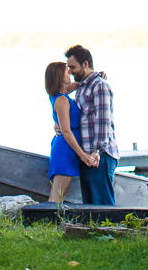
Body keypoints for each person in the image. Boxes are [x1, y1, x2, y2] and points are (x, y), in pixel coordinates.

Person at [65, 44, 119, 205]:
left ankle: (111, 231)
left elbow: (103, 121)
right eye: (68, 68)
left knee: (103, 207)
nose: (70, 71)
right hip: (87, 155)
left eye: (72, 67)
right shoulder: (82, 87)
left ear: (85, 64)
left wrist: (97, 151)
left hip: (99, 155)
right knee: (90, 209)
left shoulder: (99, 86)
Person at [44, 61, 97, 203]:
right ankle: (50, 224)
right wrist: (83, 155)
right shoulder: (61, 100)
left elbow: (79, 84)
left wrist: (97, 76)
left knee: (59, 195)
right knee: (57, 196)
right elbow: (66, 132)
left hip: (67, 148)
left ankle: (52, 223)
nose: (70, 73)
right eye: (67, 71)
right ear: (59, 76)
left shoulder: (61, 94)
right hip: (66, 149)